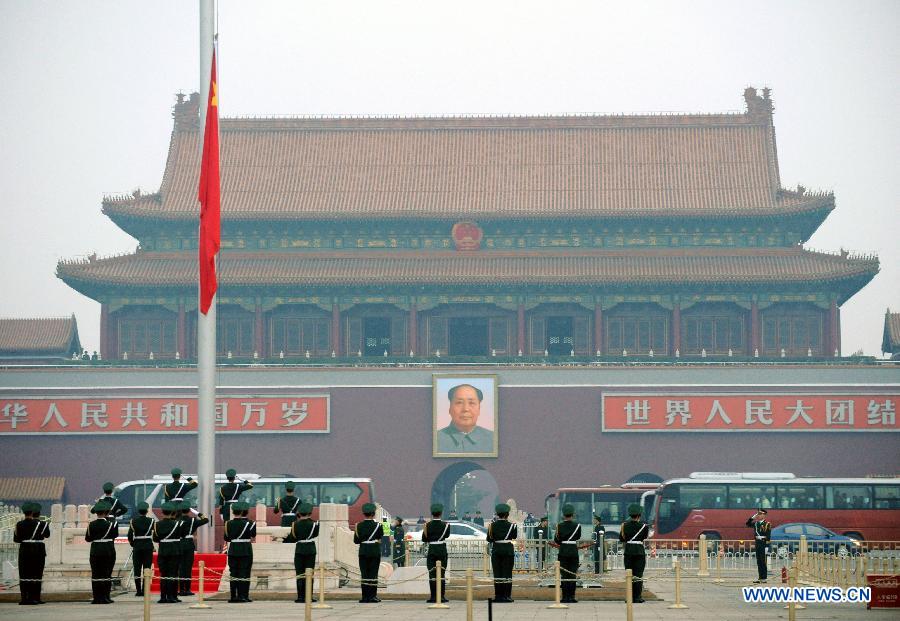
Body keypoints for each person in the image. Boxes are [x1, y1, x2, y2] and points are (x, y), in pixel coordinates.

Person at [436, 384, 495, 453]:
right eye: (459, 403)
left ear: (479, 409)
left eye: (471, 403)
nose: (466, 409)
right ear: (450, 408)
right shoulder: (435, 439)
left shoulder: (493, 439)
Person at [551, 504, 591, 603]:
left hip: (563, 550)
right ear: (572, 514)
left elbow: (556, 540)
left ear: (563, 515)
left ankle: (565, 597)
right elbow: (577, 537)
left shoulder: (559, 526)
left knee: (564, 575)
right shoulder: (577, 526)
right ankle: (572, 596)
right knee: (572, 574)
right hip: (573, 550)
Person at [14, 502, 50, 605]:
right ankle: (36, 598)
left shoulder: (19, 524)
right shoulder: (42, 524)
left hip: (24, 550)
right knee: (37, 574)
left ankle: (25, 598)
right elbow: (47, 535)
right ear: (34, 512)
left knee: (24, 574)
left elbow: (16, 539)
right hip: (38, 550)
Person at [283, 502, 319, 603]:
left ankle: (300, 597)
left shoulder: (295, 525)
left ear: (299, 513)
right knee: (309, 574)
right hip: (311, 550)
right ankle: (309, 596)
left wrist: (282, 539)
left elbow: (292, 538)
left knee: (300, 574)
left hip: (299, 550)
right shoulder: (315, 525)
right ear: (310, 513)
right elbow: (315, 534)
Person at [85, 502, 118, 604]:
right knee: (106, 574)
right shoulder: (110, 524)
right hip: (108, 550)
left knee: (95, 575)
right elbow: (114, 535)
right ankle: (105, 597)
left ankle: (96, 598)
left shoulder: (91, 525)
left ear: (96, 513)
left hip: (95, 551)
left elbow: (88, 538)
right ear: (105, 512)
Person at [224, 501, 256, 603]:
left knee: (233, 573)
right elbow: (253, 535)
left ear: (233, 512)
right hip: (246, 549)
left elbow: (227, 538)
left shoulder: (227, 524)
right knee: (245, 573)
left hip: (233, 549)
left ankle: (233, 596)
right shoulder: (250, 523)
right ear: (243, 511)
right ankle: (243, 596)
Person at [153, 501, 183, 604]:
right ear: (172, 512)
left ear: (162, 512)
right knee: (173, 574)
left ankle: (163, 597)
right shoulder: (177, 524)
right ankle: (172, 596)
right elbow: (180, 536)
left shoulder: (157, 525)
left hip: (163, 551)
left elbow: (155, 539)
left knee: (163, 574)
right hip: (174, 551)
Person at [487, 502, 517, 603]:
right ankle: (507, 595)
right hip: (508, 550)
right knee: (507, 573)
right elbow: (514, 537)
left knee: (497, 573)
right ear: (507, 514)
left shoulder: (492, 526)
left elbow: (489, 539)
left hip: (496, 550)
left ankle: (498, 595)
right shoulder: (512, 526)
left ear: (497, 514)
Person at [178, 501, 209, 597]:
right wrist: (197, 513)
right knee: (188, 567)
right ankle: (187, 589)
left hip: (179, 544)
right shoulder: (193, 520)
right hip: (189, 545)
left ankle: (181, 589)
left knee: (180, 567)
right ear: (188, 511)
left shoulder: (177, 520)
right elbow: (206, 520)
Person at [353, 502, 382, 603]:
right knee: (373, 574)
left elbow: (356, 541)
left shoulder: (358, 526)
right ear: (373, 514)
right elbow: (379, 537)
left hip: (363, 551)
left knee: (364, 574)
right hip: (374, 550)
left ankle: (365, 597)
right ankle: (372, 596)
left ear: (363, 514)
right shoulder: (378, 526)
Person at [619, 503, 648, 603]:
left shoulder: (624, 525)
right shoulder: (644, 526)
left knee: (629, 575)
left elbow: (622, 538)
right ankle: (637, 597)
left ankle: (629, 597)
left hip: (629, 551)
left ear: (630, 515)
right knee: (638, 575)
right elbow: (644, 537)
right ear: (639, 515)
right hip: (639, 551)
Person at [423, 503, 450, 603]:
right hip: (442, 550)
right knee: (441, 573)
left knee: (432, 574)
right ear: (441, 513)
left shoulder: (427, 525)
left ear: (432, 513)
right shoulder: (446, 525)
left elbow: (424, 538)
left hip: (432, 549)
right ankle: (441, 596)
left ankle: (433, 597)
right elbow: (446, 535)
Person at [127, 501, 155, 597]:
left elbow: (130, 536)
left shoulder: (133, 521)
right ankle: (145, 589)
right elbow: (155, 534)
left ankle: (138, 590)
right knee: (147, 568)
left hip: (137, 546)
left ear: (138, 511)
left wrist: (133, 544)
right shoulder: (151, 521)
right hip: (148, 546)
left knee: (137, 569)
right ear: (147, 511)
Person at [746, 508, 771, 583]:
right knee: (759, 561)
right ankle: (760, 577)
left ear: (764, 515)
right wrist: (753, 517)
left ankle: (764, 578)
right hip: (757, 543)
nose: (759, 516)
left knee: (763, 561)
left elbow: (768, 535)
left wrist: (767, 546)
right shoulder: (756, 523)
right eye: (758, 514)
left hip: (763, 543)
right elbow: (747, 524)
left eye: (760, 514)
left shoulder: (767, 524)